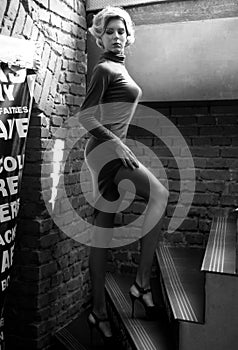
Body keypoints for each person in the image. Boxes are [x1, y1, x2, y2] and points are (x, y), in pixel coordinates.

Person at [76, 6, 169, 346]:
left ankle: (98, 311)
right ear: (100, 36)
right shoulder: (103, 68)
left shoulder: (117, 68)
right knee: (159, 195)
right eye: (110, 32)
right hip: (106, 153)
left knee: (104, 228)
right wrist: (117, 144)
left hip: (105, 152)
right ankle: (141, 284)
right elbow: (86, 117)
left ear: (128, 36)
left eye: (121, 32)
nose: (116, 37)